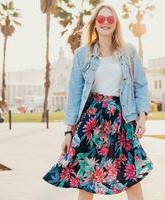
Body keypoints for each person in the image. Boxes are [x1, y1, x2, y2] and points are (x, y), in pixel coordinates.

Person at [42, 3, 153, 200]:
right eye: (101, 19)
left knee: (132, 180)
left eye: (110, 19)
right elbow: (74, 95)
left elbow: (141, 86)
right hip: (91, 122)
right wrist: (69, 131)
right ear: (94, 23)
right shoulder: (82, 54)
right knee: (86, 181)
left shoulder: (129, 51)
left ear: (116, 23)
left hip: (122, 121)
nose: (105, 22)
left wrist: (142, 117)